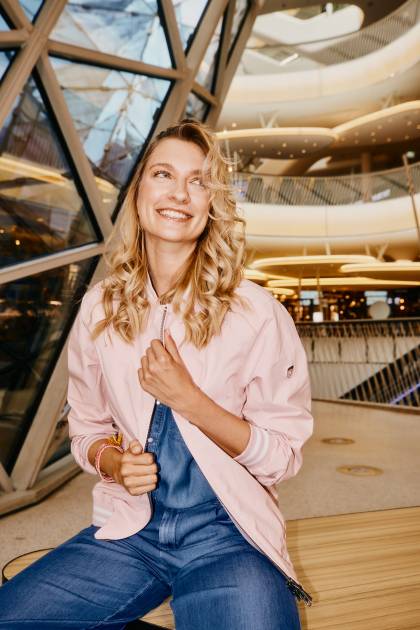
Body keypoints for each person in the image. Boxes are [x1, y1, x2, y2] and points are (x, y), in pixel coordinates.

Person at [0, 119, 313, 629]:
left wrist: (192, 402)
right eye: (163, 174)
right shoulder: (101, 307)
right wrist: (114, 464)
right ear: (139, 191)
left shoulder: (257, 313)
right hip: (131, 530)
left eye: (199, 181)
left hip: (228, 536)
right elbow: (87, 429)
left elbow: (281, 457)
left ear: (212, 203)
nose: (180, 194)